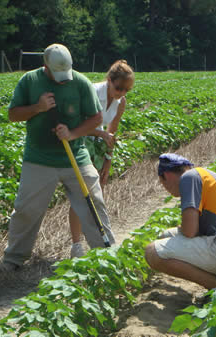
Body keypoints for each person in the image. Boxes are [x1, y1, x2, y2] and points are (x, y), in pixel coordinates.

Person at [0, 43, 116, 271]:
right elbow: (13, 114)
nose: (64, 79)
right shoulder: (29, 81)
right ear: (46, 66)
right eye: (58, 74)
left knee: (94, 203)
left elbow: (95, 118)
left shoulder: (80, 83)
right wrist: (38, 107)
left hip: (76, 156)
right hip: (38, 158)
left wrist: (72, 134)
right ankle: (13, 259)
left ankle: (107, 256)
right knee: (25, 210)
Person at [145, 153, 216, 290]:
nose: (165, 188)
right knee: (166, 236)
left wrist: (185, 227)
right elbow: (197, 230)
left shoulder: (189, 178)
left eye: (162, 183)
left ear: (166, 175)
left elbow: (190, 231)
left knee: (153, 252)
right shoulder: (200, 176)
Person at [69, 60, 135, 258]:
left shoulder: (120, 102)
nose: (122, 93)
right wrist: (100, 135)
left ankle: (97, 244)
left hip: (96, 149)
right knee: (81, 195)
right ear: (109, 80)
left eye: (126, 90)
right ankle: (76, 245)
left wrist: (108, 160)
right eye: (119, 88)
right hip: (78, 144)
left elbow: (111, 132)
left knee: (95, 196)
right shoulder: (92, 91)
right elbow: (76, 124)